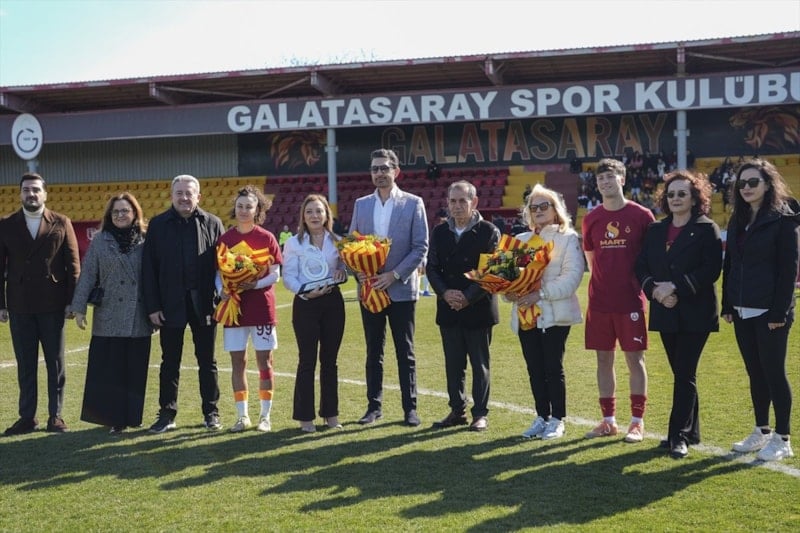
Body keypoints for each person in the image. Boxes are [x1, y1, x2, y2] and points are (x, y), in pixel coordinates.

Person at [635, 170, 722, 458]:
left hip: (696, 313)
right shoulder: (656, 230)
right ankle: (691, 432)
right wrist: (655, 290)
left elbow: (711, 269)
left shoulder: (707, 228)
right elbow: (641, 265)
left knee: (684, 373)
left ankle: (678, 435)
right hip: (665, 311)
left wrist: (676, 287)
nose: (675, 198)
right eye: (671, 194)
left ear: (695, 198)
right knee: (682, 373)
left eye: (682, 193)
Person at [721, 158, 799, 461]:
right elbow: (730, 264)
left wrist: (780, 312)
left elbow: (788, 269)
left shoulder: (783, 219)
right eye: (742, 183)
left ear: (768, 185)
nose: (746, 188)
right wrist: (728, 303)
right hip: (742, 310)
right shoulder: (738, 219)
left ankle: (783, 438)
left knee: (774, 372)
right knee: (755, 372)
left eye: (753, 182)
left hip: (770, 313)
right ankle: (762, 430)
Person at [349, 148, 429, 427]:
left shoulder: (413, 203)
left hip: (401, 289)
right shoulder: (361, 204)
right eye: (375, 169)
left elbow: (420, 246)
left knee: (405, 351)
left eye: (384, 168)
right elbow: (352, 244)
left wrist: (394, 275)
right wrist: (359, 272)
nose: (380, 173)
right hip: (370, 290)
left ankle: (410, 409)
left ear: (396, 171)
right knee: (374, 351)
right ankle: (374, 407)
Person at [142, 174, 224, 433]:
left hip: (205, 305)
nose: (184, 198)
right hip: (169, 305)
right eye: (179, 193)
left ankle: (211, 412)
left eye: (189, 193)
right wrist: (153, 307)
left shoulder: (213, 223)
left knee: (208, 361)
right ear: (172, 196)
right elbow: (148, 270)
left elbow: (224, 265)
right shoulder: (157, 225)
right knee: (169, 362)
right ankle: (167, 414)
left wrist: (221, 299)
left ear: (199, 196)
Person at [0, 173, 80, 435]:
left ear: (45, 193)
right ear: (20, 194)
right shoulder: (6, 224)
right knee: (25, 364)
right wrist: (1, 304)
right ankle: (27, 417)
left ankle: (55, 416)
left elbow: (73, 265)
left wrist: (72, 301)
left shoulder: (61, 222)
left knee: (55, 364)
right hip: (19, 304)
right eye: (26, 190)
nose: (31, 194)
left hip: (52, 304)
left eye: (35, 189)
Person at [581, 158, 655, 443]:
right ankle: (608, 421)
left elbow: (651, 258)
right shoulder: (591, 218)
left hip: (630, 301)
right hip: (600, 301)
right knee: (603, 359)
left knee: (635, 359)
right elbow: (592, 261)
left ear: (622, 180)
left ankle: (637, 422)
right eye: (600, 179)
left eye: (610, 177)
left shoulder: (642, 215)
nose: (605, 182)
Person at [70, 193, 154, 434]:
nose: (120, 215)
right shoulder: (100, 240)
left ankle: (133, 416)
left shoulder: (146, 239)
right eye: (115, 211)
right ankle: (114, 418)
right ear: (109, 215)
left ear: (135, 213)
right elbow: (88, 274)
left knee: (135, 370)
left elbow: (155, 275)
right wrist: (78, 308)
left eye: (125, 210)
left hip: (138, 314)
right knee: (111, 370)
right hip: (108, 314)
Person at [507, 184, 583, 441]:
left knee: (553, 367)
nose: (538, 211)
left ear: (555, 209)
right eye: (533, 207)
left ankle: (557, 419)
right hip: (525, 314)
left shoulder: (568, 238)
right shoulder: (521, 240)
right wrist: (508, 292)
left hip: (555, 314)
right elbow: (508, 277)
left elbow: (572, 278)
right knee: (534, 368)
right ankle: (541, 416)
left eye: (544, 206)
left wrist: (539, 294)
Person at [427, 181, 500, 432]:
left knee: (480, 364)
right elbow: (432, 268)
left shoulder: (489, 231)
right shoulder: (439, 232)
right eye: (453, 201)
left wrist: (467, 297)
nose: (457, 206)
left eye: (462, 201)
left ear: (474, 202)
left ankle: (480, 414)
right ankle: (457, 410)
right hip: (448, 307)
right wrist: (445, 293)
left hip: (478, 309)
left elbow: (490, 272)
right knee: (453, 364)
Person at [216, 186, 283, 433]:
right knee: (238, 362)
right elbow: (218, 273)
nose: (244, 211)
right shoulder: (225, 239)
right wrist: (221, 290)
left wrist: (255, 284)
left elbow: (276, 274)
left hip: (262, 308)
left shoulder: (267, 238)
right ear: (235, 209)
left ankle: (265, 417)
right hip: (234, 308)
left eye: (249, 207)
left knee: (265, 362)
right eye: (240, 206)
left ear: (257, 210)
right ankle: (242, 416)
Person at [282, 194, 347, 432]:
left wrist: (342, 272)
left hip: (332, 303)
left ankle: (331, 415)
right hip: (305, 304)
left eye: (319, 211)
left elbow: (344, 268)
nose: (314, 215)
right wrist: (304, 292)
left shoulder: (338, 241)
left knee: (330, 361)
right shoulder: (293, 243)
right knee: (307, 360)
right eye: (309, 211)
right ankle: (305, 418)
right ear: (303, 216)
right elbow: (288, 276)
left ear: (327, 215)